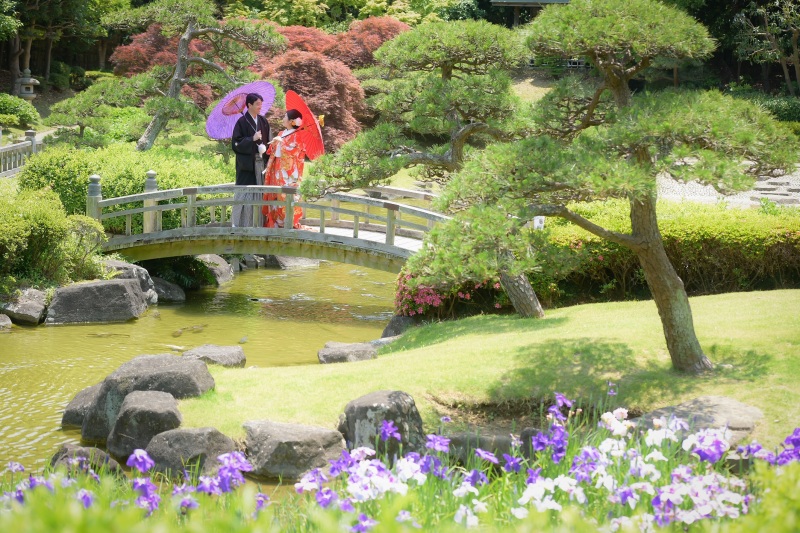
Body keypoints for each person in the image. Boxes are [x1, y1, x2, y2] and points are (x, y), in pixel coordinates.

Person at [262, 109, 307, 229]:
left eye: (285, 117)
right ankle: (277, 221)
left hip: (290, 172)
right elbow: (274, 153)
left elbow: (295, 152)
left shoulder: (298, 136)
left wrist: (281, 144)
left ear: (292, 121)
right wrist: (275, 143)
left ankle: (289, 222)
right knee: (277, 194)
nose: (283, 119)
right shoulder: (282, 133)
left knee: (288, 196)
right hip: (278, 170)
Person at [231, 93, 270, 227]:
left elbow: (269, 141)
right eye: (257, 104)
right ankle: (240, 224)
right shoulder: (241, 122)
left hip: (261, 164)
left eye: (261, 104)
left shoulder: (263, 121)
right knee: (244, 194)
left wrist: (266, 149)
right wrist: (251, 140)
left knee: (260, 193)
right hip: (247, 166)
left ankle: (258, 223)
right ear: (249, 105)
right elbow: (235, 144)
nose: (260, 107)